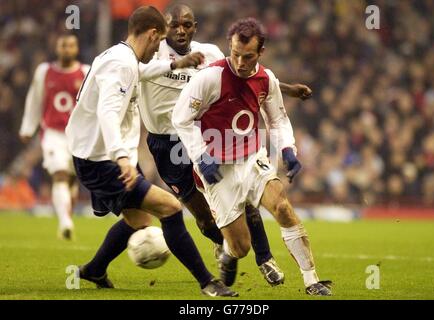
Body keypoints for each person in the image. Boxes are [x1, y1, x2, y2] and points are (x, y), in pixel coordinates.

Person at [65, 6, 237, 297]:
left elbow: (143, 71)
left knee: (139, 220)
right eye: (159, 43)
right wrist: (121, 158)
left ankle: (94, 269)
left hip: (100, 155)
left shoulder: (121, 56)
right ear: (153, 34)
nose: (159, 49)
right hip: (103, 160)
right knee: (170, 208)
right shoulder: (121, 65)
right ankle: (209, 282)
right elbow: (108, 113)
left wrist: (175, 65)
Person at [139, 4, 312, 286]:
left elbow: (245, 73)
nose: (181, 30)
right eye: (174, 26)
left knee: (246, 198)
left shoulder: (209, 53)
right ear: (162, 29)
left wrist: (289, 89)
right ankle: (227, 246)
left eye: (187, 25)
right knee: (205, 218)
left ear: (195, 27)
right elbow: (133, 74)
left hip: (208, 136)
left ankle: (265, 259)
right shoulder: (151, 54)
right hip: (168, 144)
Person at [172, 17, 332, 296]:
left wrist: (288, 151)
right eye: (235, 54)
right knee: (241, 247)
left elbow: (278, 120)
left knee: (282, 207)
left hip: (251, 158)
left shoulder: (266, 79)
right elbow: (181, 118)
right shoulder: (210, 77)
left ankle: (312, 281)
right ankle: (228, 253)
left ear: (260, 53)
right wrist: (201, 157)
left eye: (248, 56)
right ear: (229, 47)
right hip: (217, 168)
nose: (240, 61)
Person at [19, 33, 90, 240]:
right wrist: (27, 127)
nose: (67, 49)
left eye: (70, 46)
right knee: (59, 174)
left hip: (78, 135)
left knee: (71, 181)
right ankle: (65, 223)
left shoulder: (85, 72)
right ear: (56, 47)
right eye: (63, 45)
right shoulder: (44, 71)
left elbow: (92, 104)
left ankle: (66, 217)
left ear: (76, 49)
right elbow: (35, 99)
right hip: (53, 133)